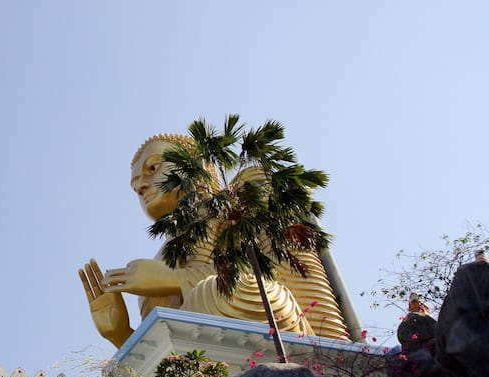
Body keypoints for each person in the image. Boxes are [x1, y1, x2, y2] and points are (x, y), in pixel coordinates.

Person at [78, 133, 350, 347]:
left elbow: (277, 275)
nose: (141, 186)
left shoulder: (244, 195)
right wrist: (120, 334)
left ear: (195, 165)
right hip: (208, 359)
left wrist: (175, 278)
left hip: (280, 323)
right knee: (203, 297)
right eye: (135, 184)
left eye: (153, 167)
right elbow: (165, 349)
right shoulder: (158, 261)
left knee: (222, 291)